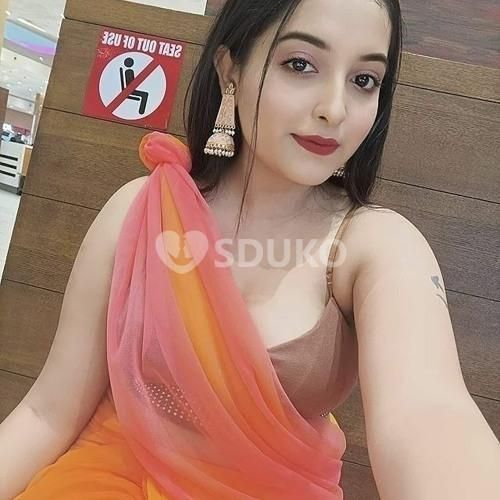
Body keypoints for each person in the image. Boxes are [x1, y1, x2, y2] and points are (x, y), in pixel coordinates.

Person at [1, 0, 499, 498]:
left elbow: (430, 412)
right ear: (230, 71)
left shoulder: (374, 244)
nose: (335, 108)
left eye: (364, 80)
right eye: (300, 64)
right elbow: (48, 413)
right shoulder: (141, 210)